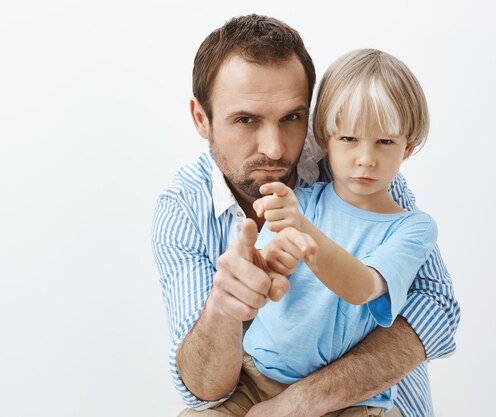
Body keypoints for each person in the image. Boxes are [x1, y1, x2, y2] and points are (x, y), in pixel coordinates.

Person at [151, 14, 459, 417]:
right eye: (246, 119)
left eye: (291, 118)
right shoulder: (182, 209)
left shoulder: (358, 174)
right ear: (200, 118)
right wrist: (222, 309)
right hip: (253, 387)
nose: (275, 149)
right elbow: (202, 391)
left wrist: (300, 404)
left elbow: (436, 311)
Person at [239, 48, 439, 417]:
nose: (366, 158)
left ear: (407, 147)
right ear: (325, 140)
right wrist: (271, 263)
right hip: (257, 378)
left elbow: (362, 287)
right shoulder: (302, 202)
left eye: (384, 142)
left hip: (347, 398)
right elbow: (264, 274)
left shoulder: (412, 228)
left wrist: (303, 233)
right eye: (349, 139)